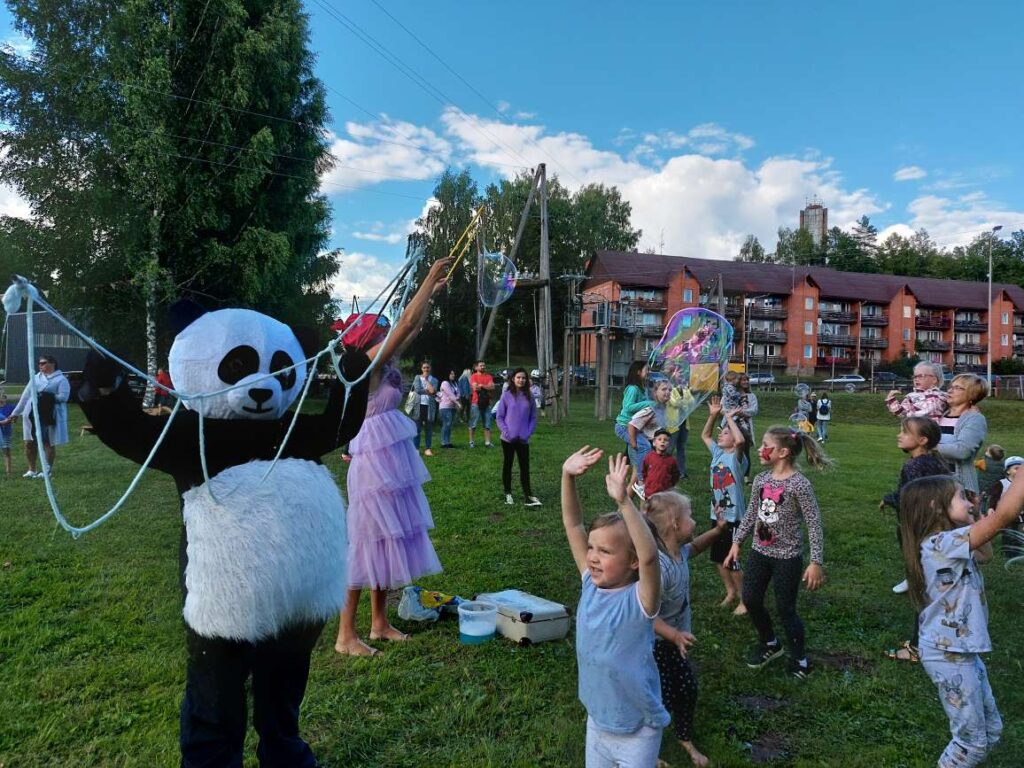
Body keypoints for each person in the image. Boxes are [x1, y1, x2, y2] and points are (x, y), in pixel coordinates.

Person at [335, 258, 449, 657]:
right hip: (371, 462)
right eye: (380, 334)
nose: (388, 337)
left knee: (387, 537)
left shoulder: (384, 361)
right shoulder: (364, 366)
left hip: (391, 459)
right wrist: (428, 277)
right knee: (366, 541)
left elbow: (412, 327)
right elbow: (405, 324)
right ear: (368, 341)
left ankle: (379, 623)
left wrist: (430, 295)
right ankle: (345, 635)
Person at [900, 470, 1024, 768]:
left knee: (991, 731)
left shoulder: (949, 541)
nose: (969, 501)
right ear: (935, 507)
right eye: (961, 497)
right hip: (947, 653)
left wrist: (975, 516)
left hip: (962, 651)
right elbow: (1005, 516)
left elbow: (985, 554)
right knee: (972, 745)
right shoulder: (939, 544)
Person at [560, 447, 668, 767]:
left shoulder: (641, 600)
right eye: (591, 548)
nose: (592, 557)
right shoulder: (590, 584)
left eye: (605, 551)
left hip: (638, 732)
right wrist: (567, 476)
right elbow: (573, 525)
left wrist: (624, 502)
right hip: (598, 721)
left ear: (632, 562)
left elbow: (650, 556)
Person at [724, 426, 830, 678]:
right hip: (759, 553)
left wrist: (815, 561)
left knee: (786, 609)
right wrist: (737, 542)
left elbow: (814, 522)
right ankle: (770, 642)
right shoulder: (761, 480)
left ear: (782, 452)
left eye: (765, 445)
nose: (760, 449)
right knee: (751, 599)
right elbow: (752, 513)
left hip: (787, 559)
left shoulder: (799, 485)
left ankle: (800, 660)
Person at [645, 492, 727, 768]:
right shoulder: (659, 568)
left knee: (687, 689)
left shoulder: (678, 552)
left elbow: (697, 547)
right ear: (674, 524)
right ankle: (647, 748)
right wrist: (674, 635)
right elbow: (646, 616)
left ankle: (684, 737)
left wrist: (717, 531)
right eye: (689, 516)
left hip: (674, 642)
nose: (694, 520)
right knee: (659, 697)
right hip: (655, 645)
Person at [880, 417, 950, 599]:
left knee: (913, 551)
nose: (899, 435)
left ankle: (916, 582)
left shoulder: (914, 466)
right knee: (931, 552)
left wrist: (888, 499)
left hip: (916, 520)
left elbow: (910, 496)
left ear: (922, 440)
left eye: (905, 432)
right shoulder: (936, 460)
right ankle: (930, 580)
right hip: (936, 519)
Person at [701, 397, 747, 615]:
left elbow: (740, 441)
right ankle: (730, 591)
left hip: (734, 518)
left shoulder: (737, 459)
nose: (720, 434)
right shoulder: (718, 454)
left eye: (725, 433)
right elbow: (705, 435)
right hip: (717, 515)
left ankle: (745, 599)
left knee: (732, 560)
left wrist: (729, 417)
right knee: (718, 558)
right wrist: (713, 416)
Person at [4, 355, 70, 478]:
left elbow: (64, 397)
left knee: (47, 442)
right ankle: (32, 469)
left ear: (52, 363)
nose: (40, 365)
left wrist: (46, 396)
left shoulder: (61, 379)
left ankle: (47, 470)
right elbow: (25, 396)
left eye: (43, 363)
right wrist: (15, 413)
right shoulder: (35, 378)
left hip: (49, 414)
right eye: (39, 363)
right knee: (29, 442)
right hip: (31, 413)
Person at [937, 373, 988, 498]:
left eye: (957, 388)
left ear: (972, 394)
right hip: (932, 483)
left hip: (958, 487)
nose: (950, 390)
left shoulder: (975, 419)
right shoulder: (939, 415)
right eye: (951, 387)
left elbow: (962, 451)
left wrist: (929, 447)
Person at [496, 367, 541, 507]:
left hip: (523, 439)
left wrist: (528, 433)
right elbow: (499, 417)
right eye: (518, 377)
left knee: (524, 467)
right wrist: (507, 433)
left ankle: (528, 495)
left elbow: (533, 417)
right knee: (508, 465)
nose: (521, 380)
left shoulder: (530, 396)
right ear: (513, 379)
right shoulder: (506, 395)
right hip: (508, 439)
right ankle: (508, 493)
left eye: (523, 378)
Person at [615, 360, 654, 488]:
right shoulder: (632, 388)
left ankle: (629, 480)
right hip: (624, 426)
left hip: (635, 428)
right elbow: (628, 407)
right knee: (645, 446)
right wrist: (649, 403)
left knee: (635, 454)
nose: (649, 372)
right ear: (638, 372)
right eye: (646, 370)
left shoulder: (641, 389)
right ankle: (642, 481)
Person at [733, 374, 758, 481]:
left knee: (745, 451)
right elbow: (724, 407)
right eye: (743, 380)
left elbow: (754, 410)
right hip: (732, 426)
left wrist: (742, 412)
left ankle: (746, 477)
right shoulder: (731, 394)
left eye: (747, 380)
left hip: (746, 427)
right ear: (738, 381)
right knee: (732, 450)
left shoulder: (751, 396)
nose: (746, 382)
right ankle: (732, 474)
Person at [641, 429, 680, 497]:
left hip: (665, 493)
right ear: (654, 443)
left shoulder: (672, 460)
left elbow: (675, 475)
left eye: (665, 440)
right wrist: (647, 483)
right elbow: (644, 471)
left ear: (669, 444)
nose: (662, 441)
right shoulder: (649, 457)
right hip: (650, 491)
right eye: (659, 439)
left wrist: (670, 485)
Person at [412, 361, 438, 456]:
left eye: (427, 367)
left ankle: (428, 448)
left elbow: (434, 391)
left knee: (428, 429)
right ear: (421, 369)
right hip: (418, 406)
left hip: (429, 407)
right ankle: (416, 449)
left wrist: (427, 381)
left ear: (430, 368)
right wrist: (430, 391)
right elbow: (418, 390)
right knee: (417, 429)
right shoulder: (417, 377)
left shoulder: (434, 380)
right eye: (424, 367)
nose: (426, 369)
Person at [468, 360, 495, 448]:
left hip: (487, 403)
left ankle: (488, 442)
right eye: (481, 365)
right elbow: (475, 388)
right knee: (473, 423)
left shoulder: (489, 376)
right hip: (476, 402)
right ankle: (471, 442)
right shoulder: (473, 376)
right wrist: (487, 387)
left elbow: (492, 387)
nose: (483, 367)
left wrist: (482, 386)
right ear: (476, 367)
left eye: (484, 365)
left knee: (487, 424)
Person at [437, 370, 460, 448]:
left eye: (454, 374)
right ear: (447, 374)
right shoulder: (445, 383)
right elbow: (450, 394)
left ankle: (448, 442)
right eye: (451, 374)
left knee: (450, 424)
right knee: (447, 423)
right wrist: (458, 403)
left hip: (453, 407)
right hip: (445, 406)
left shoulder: (454, 383)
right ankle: (443, 442)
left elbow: (458, 393)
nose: (453, 375)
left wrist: (456, 400)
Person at [0, 390, 14, 477]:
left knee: (6, 451)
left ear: (5, 398)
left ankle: (8, 471)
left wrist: (12, 419)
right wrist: (3, 422)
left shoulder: (11, 407)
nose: (1, 398)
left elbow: (14, 417)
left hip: (6, 433)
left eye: (2, 396)